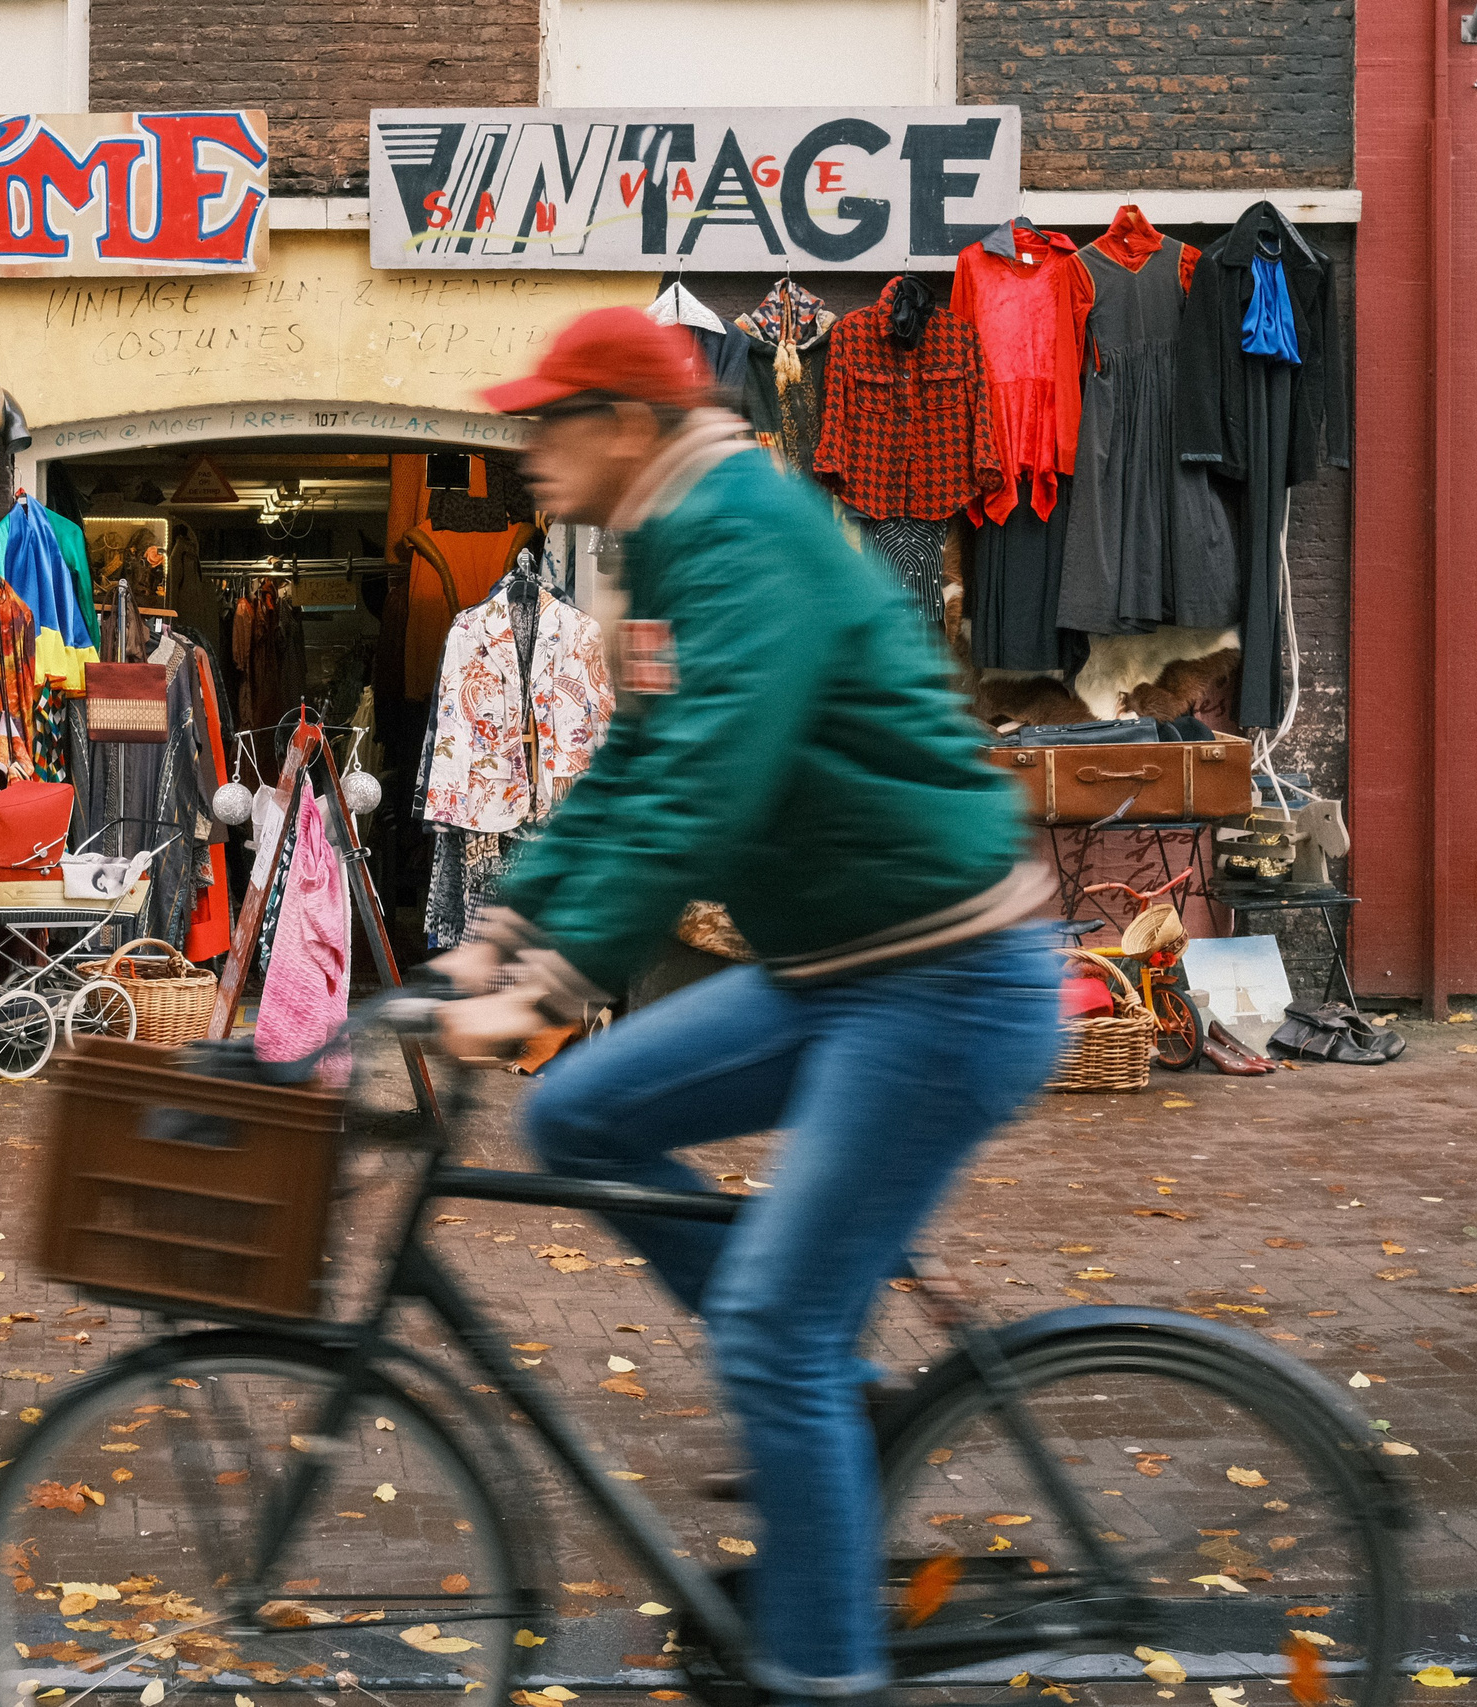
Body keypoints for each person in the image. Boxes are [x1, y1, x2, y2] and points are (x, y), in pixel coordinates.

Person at [433, 306, 1064, 1707]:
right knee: (581, 1109)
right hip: (840, 967)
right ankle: (820, 1398)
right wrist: (502, 939)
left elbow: (709, 782)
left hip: (945, 979)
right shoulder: (666, 543)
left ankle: (821, 1669)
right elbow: (633, 773)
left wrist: (546, 979)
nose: (528, 445)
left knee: (777, 1326)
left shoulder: (738, 529)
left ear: (629, 426)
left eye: (551, 419)